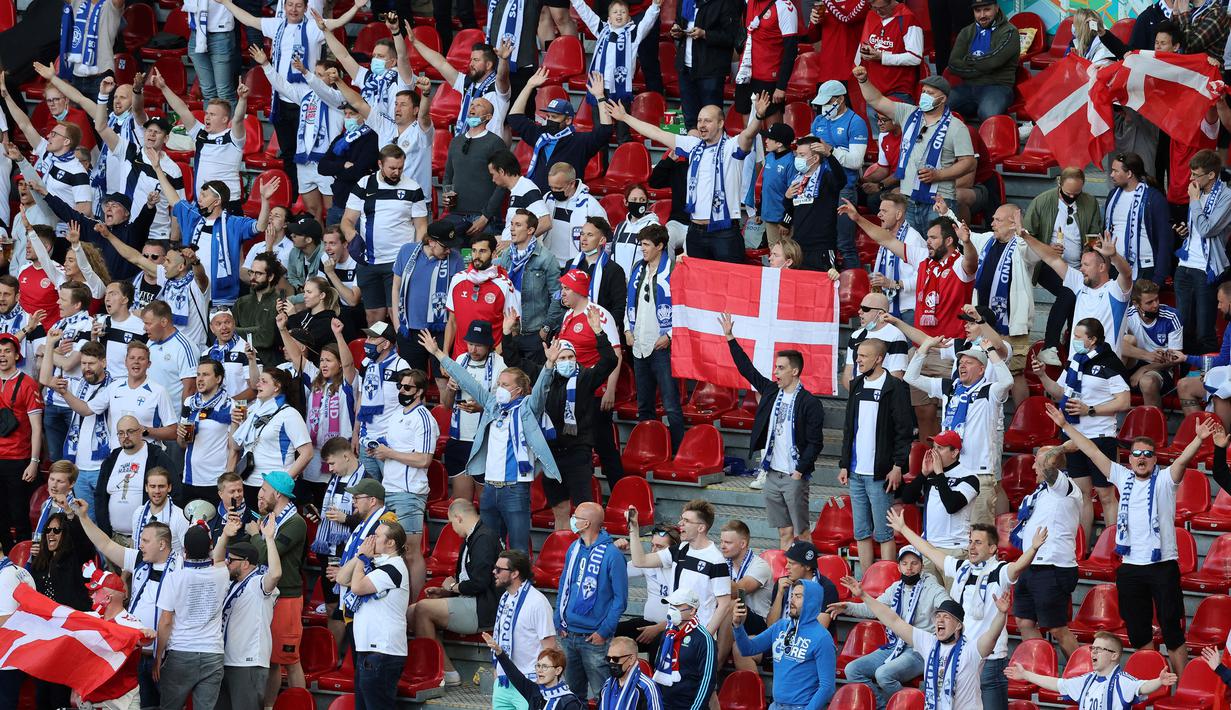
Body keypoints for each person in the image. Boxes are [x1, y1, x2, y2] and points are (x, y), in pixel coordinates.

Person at [1048, 401, 1205, 674]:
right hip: (1131, 568)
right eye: (1136, 454)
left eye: (1147, 454)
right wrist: (1065, 426)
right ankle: (1152, 683)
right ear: (1129, 458)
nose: (1142, 458)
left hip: (1162, 565)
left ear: (1155, 458)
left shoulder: (1166, 480)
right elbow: (1092, 450)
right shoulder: (1122, 476)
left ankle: (1182, 688)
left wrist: (1199, 439)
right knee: (1140, 634)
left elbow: (1182, 460)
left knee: (1172, 633)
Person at [892, 511, 1047, 709]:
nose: (971, 547)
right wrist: (904, 529)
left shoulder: (999, 572)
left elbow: (1017, 567)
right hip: (961, 657)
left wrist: (1033, 548)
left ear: (992, 548)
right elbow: (930, 551)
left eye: (978, 542)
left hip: (990, 660)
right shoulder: (961, 568)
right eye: (971, 541)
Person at [420, 330, 555, 554]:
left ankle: (521, 588)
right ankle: (491, 587)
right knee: (489, 546)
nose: (498, 388)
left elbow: (541, 391)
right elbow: (465, 379)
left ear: (518, 390)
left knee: (519, 548)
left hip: (515, 488)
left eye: (504, 385)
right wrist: (437, 353)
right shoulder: (492, 405)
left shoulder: (528, 409)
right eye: (498, 383)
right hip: (491, 489)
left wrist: (549, 365)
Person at [609, 94, 767, 263]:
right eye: (699, 121)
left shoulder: (731, 146)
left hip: (724, 232)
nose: (701, 125)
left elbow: (749, 134)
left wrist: (758, 117)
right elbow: (657, 133)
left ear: (721, 123)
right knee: (696, 286)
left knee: (727, 285)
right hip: (695, 231)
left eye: (707, 121)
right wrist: (625, 117)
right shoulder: (693, 146)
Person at [720, 311, 824, 550]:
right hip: (772, 473)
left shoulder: (810, 403)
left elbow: (814, 443)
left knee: (802, 531)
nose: (775, 372)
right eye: (776, 368)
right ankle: (788, 577)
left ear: (794, 371)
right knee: (784, 531)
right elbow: (747, 370)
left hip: (793, 474)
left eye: (780, 368)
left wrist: (799, 471)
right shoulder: (770, 391)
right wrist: (730, 338)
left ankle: (810, 574)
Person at [1032, 317, 1130, 546]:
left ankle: (1111, 548)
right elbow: (1059, 393)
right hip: (1072, 436)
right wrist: (1042, 375)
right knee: (1082, 494)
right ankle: (1082, 549)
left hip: (1100, 437)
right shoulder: (1075, 361)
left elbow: (1124, 401)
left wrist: (1090, 410)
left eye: (1078, 337)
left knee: (1105, 495)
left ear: (1092, 339)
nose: (1073, 340)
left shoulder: (1110, 363)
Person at [73, 499, 177, 707]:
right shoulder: (139, 559)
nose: (140, 545)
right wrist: (83, 517)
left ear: (162, 544)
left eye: (146, 541)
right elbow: (105, 544)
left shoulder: (182, 567)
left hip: (168, 658)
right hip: (135, 655)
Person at [845, 580, 1009, 710]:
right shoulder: (929, 643)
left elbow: (992, 636)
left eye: (946, 617)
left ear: (958, 625)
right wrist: (864, 596)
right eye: (938, 616)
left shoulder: (972, 649)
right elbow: (893, 620)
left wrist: (1001, 614)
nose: (940, 620)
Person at [854, 68, 976, 234]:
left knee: (938, 252)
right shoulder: (909, 113)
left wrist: (940, 175)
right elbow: (876, 100)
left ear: (943, 99)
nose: (924, 95)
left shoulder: (956, 126)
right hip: (909, 198)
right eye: (923, 91)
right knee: (911, 253)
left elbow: (969, 162)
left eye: (930, 93)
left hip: (939, 200)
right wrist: (863, 80)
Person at [905, 336, 1011, 527]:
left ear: (982, 369)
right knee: (953, 532)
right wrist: (925, 347)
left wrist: (991, 353)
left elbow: (1007, 381)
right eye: (960, 362)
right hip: (950, 472)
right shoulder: (950, 388)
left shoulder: (990, 391)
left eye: (969, 363)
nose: (962, 366)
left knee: (980, 535)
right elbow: (910, 377)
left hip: (979, 473)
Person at [829, 546, 947, 709]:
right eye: (904, 564)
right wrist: (847, 607)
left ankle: (910, 705)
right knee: (852, 670)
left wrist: (946, 612)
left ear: (921, 565)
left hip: (920, 649)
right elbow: (873, 608)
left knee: (883, 674)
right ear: (898, 567)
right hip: (895, 645)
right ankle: (883, 706)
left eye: (914, 563)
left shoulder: (931, 587)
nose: (909, 568)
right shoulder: (896, 588)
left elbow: (947, 605)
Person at [158, 152, 278, 309]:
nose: (199, 198)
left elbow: (260, 226)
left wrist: (265, 200)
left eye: (204, 195)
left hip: (223, 298)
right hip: (190, 291)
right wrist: (157, 168)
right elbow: (173, 198)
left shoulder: (233, 223)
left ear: (217, 201)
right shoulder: (193, 215)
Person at [841, 337, 915, 570]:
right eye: (858, 355)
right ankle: (867, 583)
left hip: (880, 472)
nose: (858, 360)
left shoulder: (894, 386)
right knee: (861, 531)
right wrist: (844, 464)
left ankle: (887, 581)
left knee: (883, 533)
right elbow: (848, 428)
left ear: (879, 358)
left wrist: (897, 466)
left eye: (863, 356)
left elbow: (904, 431)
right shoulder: (857, 385)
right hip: (855, 471)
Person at [409, 499, 501, 686]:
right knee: (410, 612)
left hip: (482, 607)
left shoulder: (483, 538)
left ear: (458, 518)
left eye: (451, 522)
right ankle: (441, 669)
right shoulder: (472, 537)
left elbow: (479, 583)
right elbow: (468, 581)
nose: (452, 528)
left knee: (422, 609)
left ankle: (444, 672)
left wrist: (452, 587)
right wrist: (446, 592)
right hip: (469, 601)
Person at [1022, 168, 1105, 366]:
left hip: (1078, 265)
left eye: (1076, 194)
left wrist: (1089, 254)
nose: (1071, 197)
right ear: (1059, 183)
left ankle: (1070, 352)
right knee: (1068, 292)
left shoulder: (1089, 202)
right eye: (1067, 193)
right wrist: (1047, 248)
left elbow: (1094, 235)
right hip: (1047, 264)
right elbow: (1026, 236)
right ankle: (1050, 345)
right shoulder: (1042, 201)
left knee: (1075, 301)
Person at [342, 144, 431, 326]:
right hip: (369, 261)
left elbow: (421, 227)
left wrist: (415, 256)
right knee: (373, 315)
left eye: (400, 168)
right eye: (392, 168)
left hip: (398, 262)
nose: (396, 172)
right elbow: (347, 221)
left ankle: (401, 352)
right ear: (380, 164)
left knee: (397, 313)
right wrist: (353, 237)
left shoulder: (413, 188)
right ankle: (377, 352)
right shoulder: (364, 185)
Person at [1010, 444, 1084, 659]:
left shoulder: (1064, 487)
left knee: (1056, 628)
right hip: (1030, 565)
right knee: (1024, 622)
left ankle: (1085, 674)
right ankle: (1041, 669)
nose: (1033, 467)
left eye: (1037, 462)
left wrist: (1061, 448)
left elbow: (1050, 467)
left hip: (1053, 567)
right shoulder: (1040, 493)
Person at [554, 501, 629, 700]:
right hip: (567, 634)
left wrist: (604, 631)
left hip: (594, 639)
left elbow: (620, 600)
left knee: (604, 695)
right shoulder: (574, 548)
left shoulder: (612, 555)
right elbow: (564, 585)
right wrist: (558, 619)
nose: (572, 520)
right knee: (571, 696)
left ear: (586, 523)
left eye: (575, 517)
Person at [335, 518, 412, 708]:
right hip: (369, 650)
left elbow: (358, 587)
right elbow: (341, 577)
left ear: (391, 542)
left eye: (376, 536)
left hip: (383, 651)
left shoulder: (395, 567)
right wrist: (359, 556)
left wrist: (362, 559)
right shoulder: (376, 564)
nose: (370, 539)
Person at [1024, 228, 1133, 361]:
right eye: (1081, 264)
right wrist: (1025, 236)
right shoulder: (1079, 282)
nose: (1081, 269)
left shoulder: (1115, 290)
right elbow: (1051, 258)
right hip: (1075, 367)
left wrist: (1114, 256)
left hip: (1103, 370)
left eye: (1086, 265)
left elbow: (1126, 274)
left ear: (1101, 267)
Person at [628, 499, 733, 636]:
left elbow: (724, 604)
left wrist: (706, 636)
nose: (680, 524)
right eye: (681, 519)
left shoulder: (716, 560)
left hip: (697, 634)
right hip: (673, 631)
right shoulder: (680, 549)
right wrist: (633, 529)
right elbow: (640, 561)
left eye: (686, 521)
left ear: (701, 528)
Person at [153, 525, 230, 710]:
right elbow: (218, 559)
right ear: (210, 547)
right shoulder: (222, 574)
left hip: (181, 653)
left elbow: (165, 622)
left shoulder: (174, 578)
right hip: (213, 654)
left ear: (184, 551)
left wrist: (158, 657)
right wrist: (224, 535)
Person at [251, 471, 309, 705]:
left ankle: (303, 705)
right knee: (273, 660)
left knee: (290, 659)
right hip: (271, 596)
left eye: (264, 490)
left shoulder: (296, 523)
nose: (260, 494)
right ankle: (268, 706)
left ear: (277, 493)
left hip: (287, 598)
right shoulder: (271, 519)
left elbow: (265, 554)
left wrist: (256, 535)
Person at [733, 579, 835, 708]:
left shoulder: (822, 638)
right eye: (792, 595)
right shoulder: (781, 626)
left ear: (811, 601)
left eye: (798, 596)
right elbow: (747, 649)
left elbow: (827, 686)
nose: (791, 600)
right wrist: (737, 626)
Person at [623, 225, 681, 449]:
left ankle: (677, 451)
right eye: (641, 244)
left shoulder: (674, 269)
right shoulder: (638, 268)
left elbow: (682, 308)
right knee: (644, 405)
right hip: (639, 344)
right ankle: (647, 448)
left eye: (646, 244)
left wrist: (670, 335)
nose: (642, 249)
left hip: (662, 347)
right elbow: (631, 303)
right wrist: (628, 330)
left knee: (671, 405)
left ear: (660, 246)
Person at [59, 341, 176, 453]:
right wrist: (65, 393)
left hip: (148, 456)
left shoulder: (158, 391)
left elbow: (173, 431)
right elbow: (86, 409)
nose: (136, 362)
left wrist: (145, 431)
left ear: (149, 364)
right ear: (125, 362)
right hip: (118, 456)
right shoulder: (114, 387)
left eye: (141, 359)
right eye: (132, 358)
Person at [895, 431, 978, 587]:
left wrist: (940, 474)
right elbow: (907, 498)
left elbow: (952, 506)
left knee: (952, 604)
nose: (934, 452)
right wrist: (923, 474)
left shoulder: (970, 477)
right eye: (933, 447)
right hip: (929, 548)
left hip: (955, 550)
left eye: (940, 448)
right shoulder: (931, 475)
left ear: (955, 452)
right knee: (930, 605)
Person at [213, 526, 283, 710]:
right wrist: (226, 534)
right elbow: (217, 560)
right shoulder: (234, 582)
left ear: (245, 563)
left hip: (248, 663)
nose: (227, 563)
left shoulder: (257, 582)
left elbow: (275, 574)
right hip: (228, 660)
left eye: (232, 560)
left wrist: (268, 538)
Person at [508, 71, 614, 190]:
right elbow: (514, 118)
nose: (549, 120)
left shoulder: (580, 142)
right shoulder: (541, 135)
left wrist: (600, 97)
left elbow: (605, 130)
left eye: (554, 117)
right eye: (548, 116)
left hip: (565, 201)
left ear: (568, 120)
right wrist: (529, 86)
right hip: (537, 199)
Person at [38, 337, 109, 508]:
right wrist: (49, 345)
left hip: (102, 462)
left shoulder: (114, 387)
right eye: (83, 363)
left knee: (102, 516)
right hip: (80, 462)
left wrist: (64, 393)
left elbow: (85, 409)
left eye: (91, 363)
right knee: (84, 517)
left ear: (104, 363)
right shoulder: (79, 384)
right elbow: (45, 380)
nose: (86, 368)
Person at [482, 550, 557, 710]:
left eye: (499, 569)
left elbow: (549, 647)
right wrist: (497, 672)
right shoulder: (505, 598)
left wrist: (542, 682)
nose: (494, 572)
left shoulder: (537, 602)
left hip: (528, 684)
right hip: (503, 682)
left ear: (515, 573)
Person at [1174, 148, 1231, 353]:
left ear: (1211, 174)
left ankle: (1207, 378)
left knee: (1204, 331)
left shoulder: (1226, 197)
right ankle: (1184, 376)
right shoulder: (1197, 192)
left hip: (1206, 270)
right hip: (1185, 265)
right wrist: (1185, 233)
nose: (1191, 178)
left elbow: (1207, 230)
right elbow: (1198, 230)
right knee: (1182, 328)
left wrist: (1195, 201)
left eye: (1195, 174)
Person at [808, 80, 868, 268]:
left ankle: (855, 286)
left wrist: (830, 151)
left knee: (844, 243)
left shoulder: (856, 122)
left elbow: (857, 161)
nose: (824, 107)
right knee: (823, 241)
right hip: (820, 186)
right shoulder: (819, 121)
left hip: (844, 188)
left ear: (840, 99)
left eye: (828, 101)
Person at [495, 210, 564, 365]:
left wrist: (545, 329)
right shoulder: (507, 255)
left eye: (518, 225)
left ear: (530, 230)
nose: (512, 228)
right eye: (512, 224)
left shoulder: (546, 258)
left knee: (533, 383)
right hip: (509, 331)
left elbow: (558, 296)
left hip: (534, 332)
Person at [93, 415, 176, 542]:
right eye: (121, 433)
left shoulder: (156, 456)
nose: (125, 436)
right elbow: (100, 496)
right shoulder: (111, 460)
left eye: (130, 431)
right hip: (114, 538)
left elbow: (175, 492)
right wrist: (106, 533)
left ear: (141, 431)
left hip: (147, 539)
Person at [410, 37, 509, 139]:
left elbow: (502, 77)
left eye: (476, 60)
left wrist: (503, 60)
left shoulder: (498, 88)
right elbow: (440, 63)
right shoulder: (467, 83)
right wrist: (414, 42)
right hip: (464, 143)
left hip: (489, 149)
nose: (471, 64)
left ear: (488, 65)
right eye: (471, 60)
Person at [440, 98, 508, 237]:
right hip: (457, 214)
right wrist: (447, 193)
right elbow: (448, 176)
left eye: (479, 105)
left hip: (484, 218)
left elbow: (503, 183)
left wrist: (486, 216)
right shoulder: (456, 141)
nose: (473, 107)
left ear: (488, 117)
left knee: (482, 257)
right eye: (472, 104)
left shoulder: (495, 143)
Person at [444, 233, 520, 358]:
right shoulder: (458, 279)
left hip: (491, 358)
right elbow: (452, 322)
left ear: (494, 253)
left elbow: (513, 327)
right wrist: (446, 355)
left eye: (482, 251)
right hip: (460, 357)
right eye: (474, 251)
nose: (477, 256)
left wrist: (495, 356)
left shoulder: (504, 285)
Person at [670, 0, 742, 128]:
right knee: (691, 120)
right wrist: (676, 32)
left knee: (712, 119)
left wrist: (705, 34)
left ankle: (715, 147)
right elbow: (679, 23)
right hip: (686, 67)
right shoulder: (684, 1)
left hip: (711, 69)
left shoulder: (723, 3)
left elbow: (731, 37)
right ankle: (694, 146)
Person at [781, 135, 847, 272]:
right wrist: (787, 198)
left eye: (802, 155)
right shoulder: (797, 179)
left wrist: (829, 155)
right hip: (799, 246)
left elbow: (841, 179)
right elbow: (792, 210)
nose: (797, 158)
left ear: (815, 158)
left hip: (821, 247)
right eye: (796, 154)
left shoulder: (827, 177)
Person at [715, 520, 774, 672]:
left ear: (742, 544)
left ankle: (715, 667)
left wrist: (712, 570)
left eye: (728, 542)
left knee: (734, 603)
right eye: (721, 541)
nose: (722, 546)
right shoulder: (722, 562)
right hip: (727, 619)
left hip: (757, 623)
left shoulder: (760, 565)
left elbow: (738, 591)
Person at [944, 0, 1019, 121]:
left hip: (998, 87)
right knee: (937, 108)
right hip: (967, 86)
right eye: (977, 11)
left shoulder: (1010, 32)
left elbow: (994, 61)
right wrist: (987, 67)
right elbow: (953, 64)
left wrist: (968, 59)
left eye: (987, 9)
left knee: (988, 114)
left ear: (996, 8)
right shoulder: (966, 32)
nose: (982, 15)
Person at [354, 321, 410, 480]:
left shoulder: (401, 365)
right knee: (367, 494)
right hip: (366, 440)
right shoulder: (365, 364)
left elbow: (411, 404)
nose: (367, 342)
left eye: (372, 338)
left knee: (390, 491)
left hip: (389, 443)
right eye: (367, 337)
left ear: (386, 343)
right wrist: (356, 432)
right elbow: (361, 399)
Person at [1121, 279, 1184, 410]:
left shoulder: (1171, 316)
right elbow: (1116, 346)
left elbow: (1176, 358)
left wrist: (1144, 369)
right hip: (1135, 361)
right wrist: (1147, 356)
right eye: (1149, 302)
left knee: (1147, 382)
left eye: (1156, 299)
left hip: (1161, 368)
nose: (1155, 305)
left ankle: (1154, 428)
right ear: (1136, 304)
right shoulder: (1128, 315)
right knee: (1127, 340)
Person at [650, 587, 717, 706]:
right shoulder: (668, 633)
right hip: (662, 703)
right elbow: (657, 665)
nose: (671, 610)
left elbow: (707, 680)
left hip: (687, 705)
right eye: (670, 605)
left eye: (677, 606)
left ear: (692, 610)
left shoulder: (703, 638)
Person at [842, 292, 910, 391]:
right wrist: (859, 396)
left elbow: (896, 376)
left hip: (883, 398)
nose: (860, 312)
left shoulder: (896, 336)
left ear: (880, 313)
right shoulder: (856, 335)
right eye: (860, 307)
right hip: (858, 395)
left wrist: (874, 398)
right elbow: (848, 372)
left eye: (865, 309)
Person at [545, 164, 609, 265]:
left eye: (558, 188)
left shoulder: (590, 205)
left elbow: (606, 238)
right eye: (551, 187)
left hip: (577, 265)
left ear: (572, 184)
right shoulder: (547, 199)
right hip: (549, 264)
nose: (554, 191)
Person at [487, 646, 586, 710]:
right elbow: (514, 674)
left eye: (545, 667)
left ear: (558, 671)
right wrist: (499, 651)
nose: (539, 670)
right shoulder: (534, 690)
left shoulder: (569, 702)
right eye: (538, 666)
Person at [488, 150, 554, 244]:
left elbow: (545, 222)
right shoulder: (517, 189)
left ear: (501, 171)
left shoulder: (526, 187)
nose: (492, 179)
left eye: (492, 174)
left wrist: (515, 243)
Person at [130, 467, 188, 555]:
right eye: (152, 486)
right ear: (146, 488)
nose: (157, 491)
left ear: (169, 487)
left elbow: (187, 551)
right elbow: (133, 545)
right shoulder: (138, 512)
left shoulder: (180, 516)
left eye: (161, 486)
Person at [598, 636, 664, 709]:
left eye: (615, 659)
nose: (611, 663)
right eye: (608, 658)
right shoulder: (607, 685)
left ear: (631, 659)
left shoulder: (647, 687)